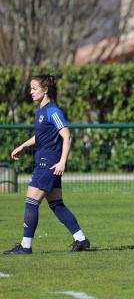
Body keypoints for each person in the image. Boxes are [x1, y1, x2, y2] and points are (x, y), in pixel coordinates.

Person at [3, 75, 90, 255]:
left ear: (45, 90)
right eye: (31, 88)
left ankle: (26, 246)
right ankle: (81, 239)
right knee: (57, 204)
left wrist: (62, 161)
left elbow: (67, 136)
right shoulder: (41, 111)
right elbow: (41, 136)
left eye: (34, 88)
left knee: (31, 201)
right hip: (47, 162)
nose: (31, 92)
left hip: (48, 164)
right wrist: (23, 146)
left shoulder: (53, 111)